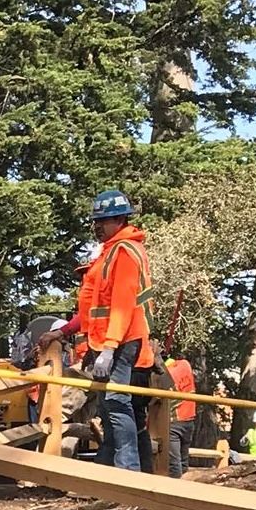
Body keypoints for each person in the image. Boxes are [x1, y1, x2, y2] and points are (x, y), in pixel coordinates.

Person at [62, 189, 156, 470]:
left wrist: (109, 347)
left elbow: (122, 304)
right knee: (110, 406)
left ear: (119, 220)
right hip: (108, 341)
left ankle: (128, 472)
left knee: (117, 403)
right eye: (95, 222)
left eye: (101, 222)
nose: (96, 227)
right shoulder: (111, 252)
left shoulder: (124, 252)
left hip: (121, 341)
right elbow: (95, 306)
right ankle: (118, 469)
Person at [163, 347, 198, 476]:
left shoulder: (165, 376)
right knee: (183, 459)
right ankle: (185, 482)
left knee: (174, 461)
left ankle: (176, 488)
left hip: (174, 421)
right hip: (189, 419)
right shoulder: (185, 365)